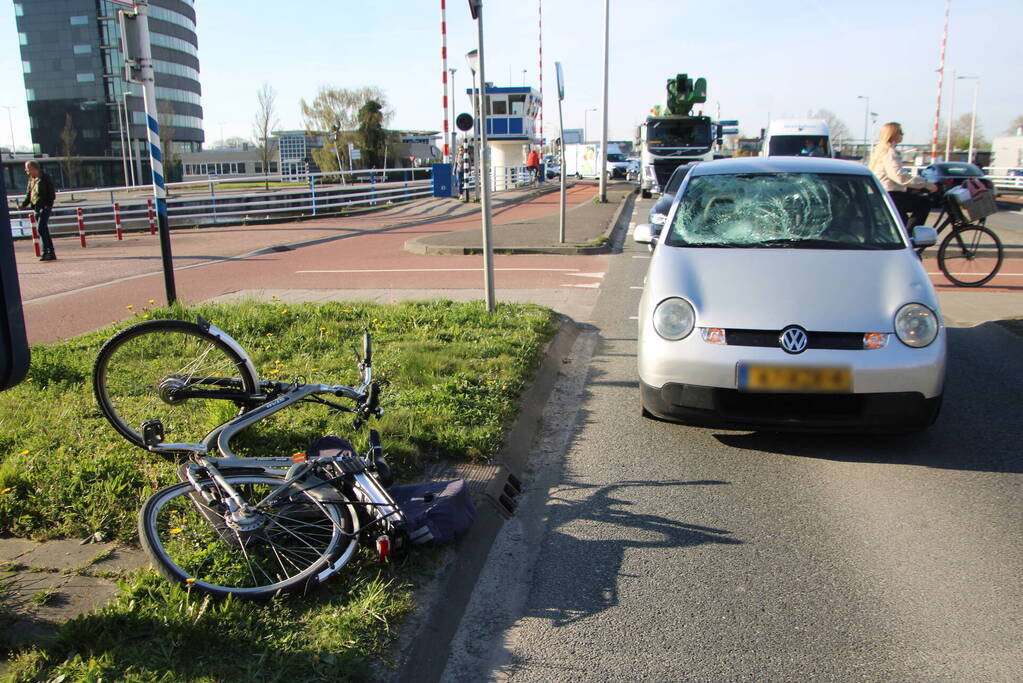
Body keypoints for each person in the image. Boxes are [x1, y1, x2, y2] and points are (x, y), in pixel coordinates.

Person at [868, 122, 937, 229]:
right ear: (893, 134)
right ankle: (910, 239)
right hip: (891, 194)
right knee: (924, 204)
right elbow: (899, 176)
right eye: (900, 132)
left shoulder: (880, 151)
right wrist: (925, 184)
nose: (902, 134)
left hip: (882, 193)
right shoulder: (890, 152)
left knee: (902, 222)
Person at [19, 160, 58, 261]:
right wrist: (23, 205)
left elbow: (51, 194)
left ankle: (46, 251)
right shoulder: (31, 180)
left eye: (27, 168)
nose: (25, 170)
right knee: (43, 229)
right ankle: (50, 252)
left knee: (41, 229)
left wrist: (47, 205)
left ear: (33, 168)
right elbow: (29, 194)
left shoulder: (45, 178)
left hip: (44, 207)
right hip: (36, 207)